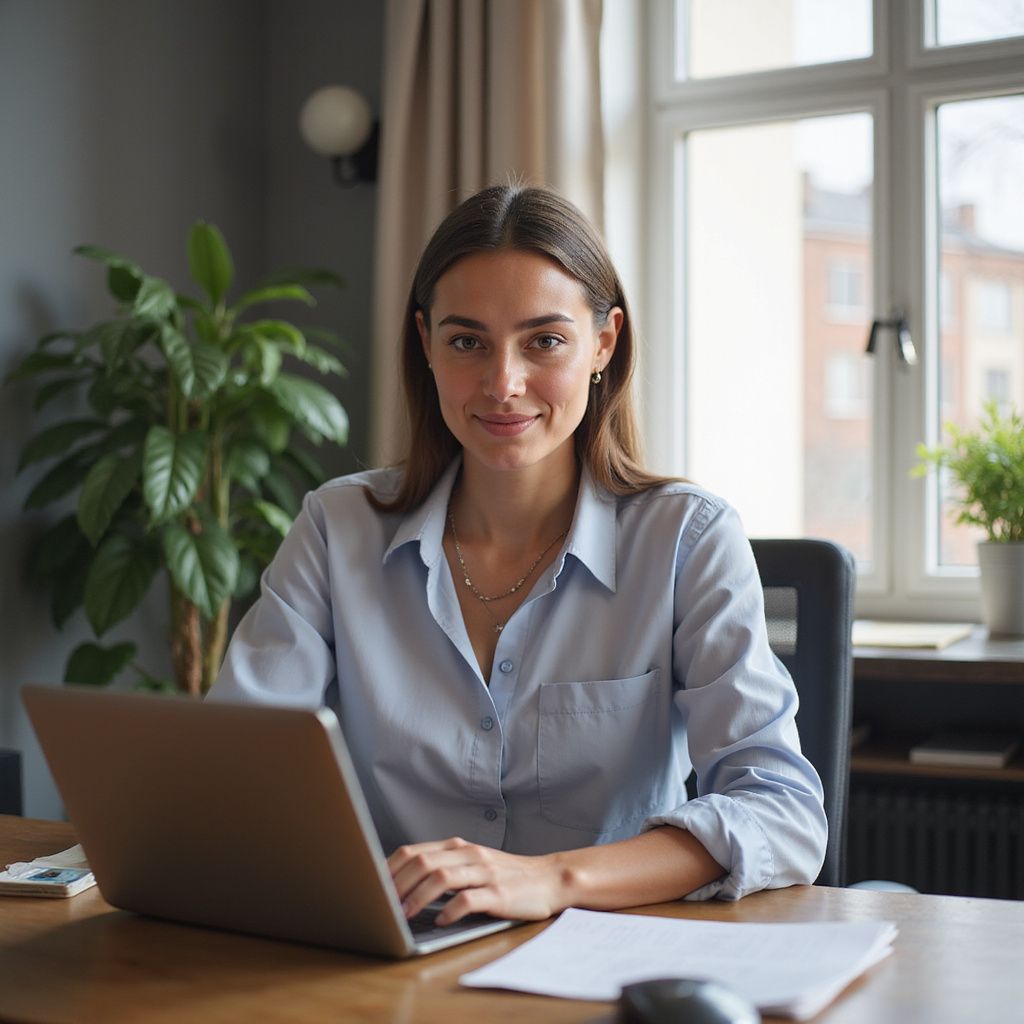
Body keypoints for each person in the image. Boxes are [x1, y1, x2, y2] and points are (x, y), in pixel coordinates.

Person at [209, 184, 826, 927]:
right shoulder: (338, 528)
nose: (503, 384)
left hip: (609, 959)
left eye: (545, 341)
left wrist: (554, 879)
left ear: (603, 344)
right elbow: (233, 772)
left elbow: (783, 813)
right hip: (387, 963)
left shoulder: (686, 541)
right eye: (467, 341)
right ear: (427, 345)